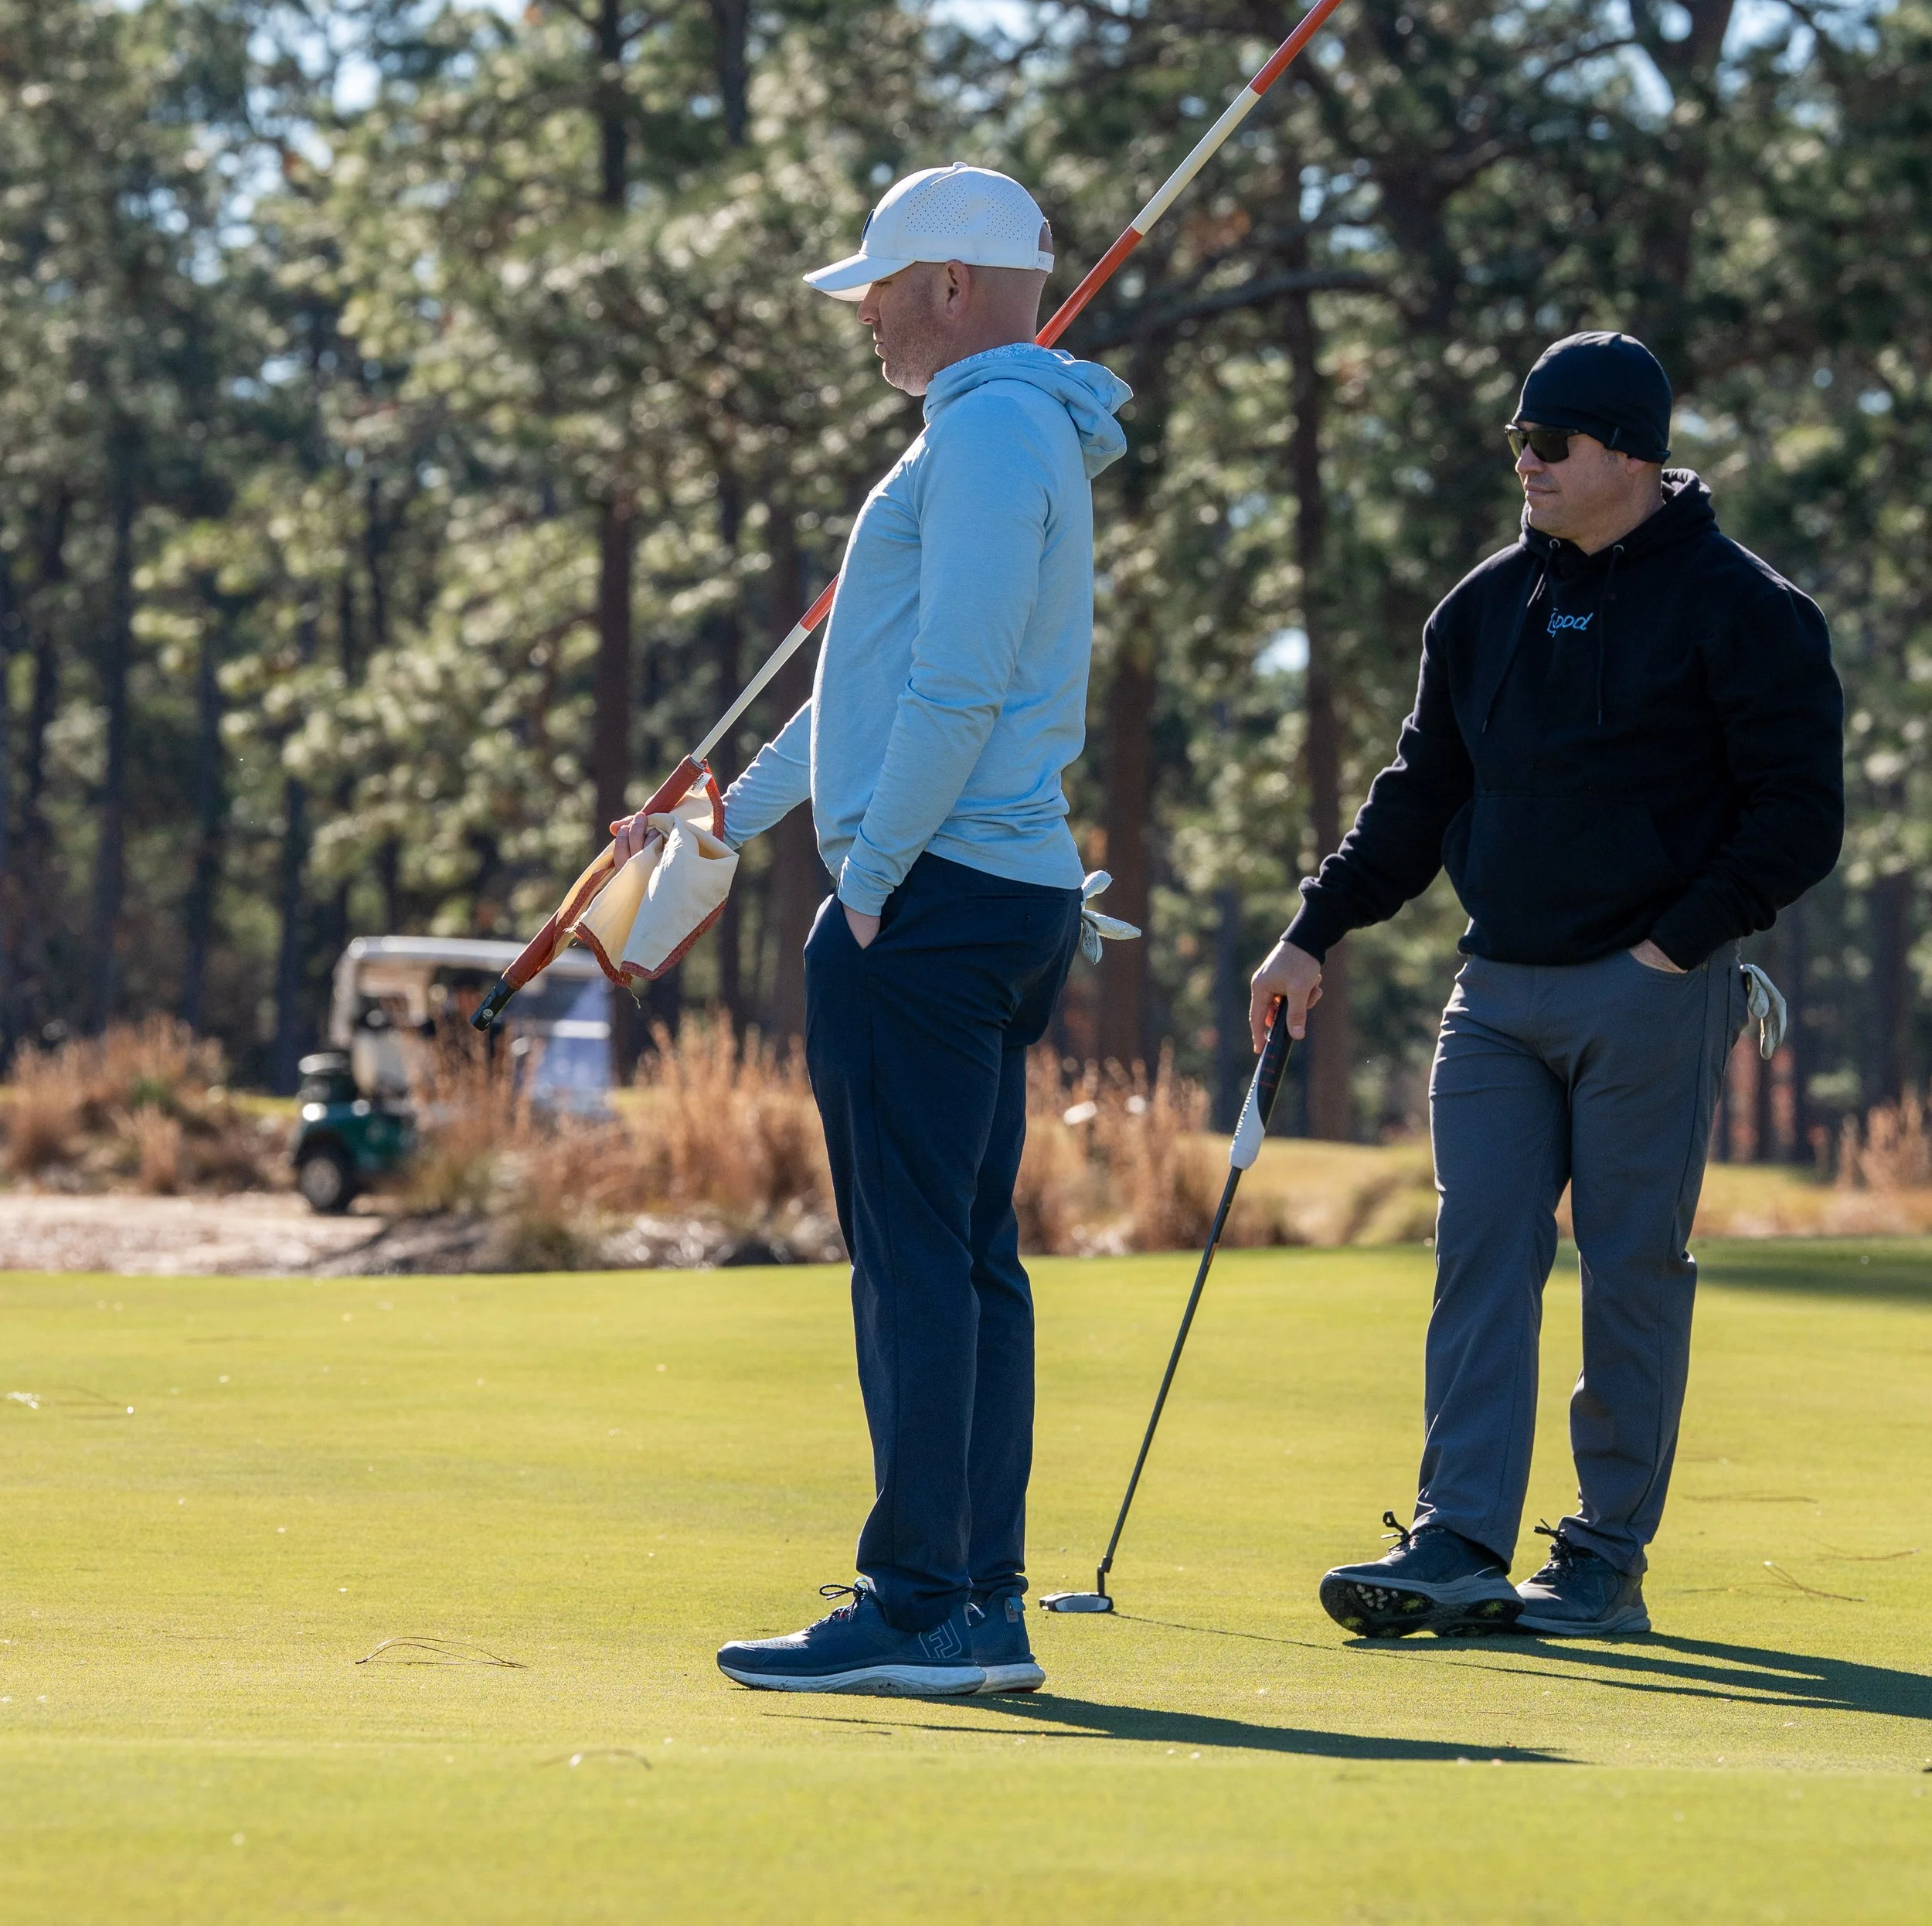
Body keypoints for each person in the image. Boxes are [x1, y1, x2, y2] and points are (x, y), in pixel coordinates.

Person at [615, 164, 1129, 1696]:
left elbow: (953, 688)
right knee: (962, 1262)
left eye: (881, 291)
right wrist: (735, 819)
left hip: (935, 901)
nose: (865, 320)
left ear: (954, 287)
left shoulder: (981, 436)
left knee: (916, 1264)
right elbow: (863, 693)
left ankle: (925, 1606)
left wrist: (867, 881)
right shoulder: (1005, 430)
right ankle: (973, 1603)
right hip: (994, 893)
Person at [1249, 331, 1842, 1641]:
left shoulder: (1747, 609)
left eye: (1551, 442)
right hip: (1498, 989)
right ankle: (1459, 1535)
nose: (1527, 462)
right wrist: (1315, 929)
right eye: (1517, 438)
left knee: (1631, 1268)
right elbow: (1418, 795)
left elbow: (1800, 817)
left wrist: (1673, 946)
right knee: (1481, 1249)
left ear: (1630, 452)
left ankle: (1599, 1556)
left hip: (1652, 988)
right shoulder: (1480, 611)